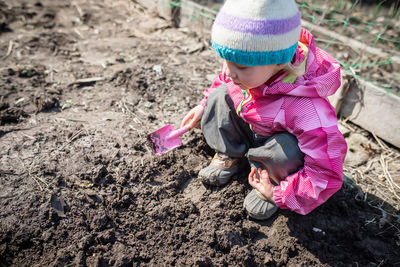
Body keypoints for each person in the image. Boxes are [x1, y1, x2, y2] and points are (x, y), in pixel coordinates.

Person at [180, 0, 347, 220]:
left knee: (287, 150)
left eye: (241, 66)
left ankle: (268, 180)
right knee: (220, 95)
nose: (229, 72)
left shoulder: (306, 108)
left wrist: (281, 194)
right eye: (225, 60)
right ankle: (229, 152)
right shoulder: (249, 74)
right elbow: (224, 81)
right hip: (253, 126)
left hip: (275, 150)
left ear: (279, 62)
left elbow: (326, 172)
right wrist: (204, 107)